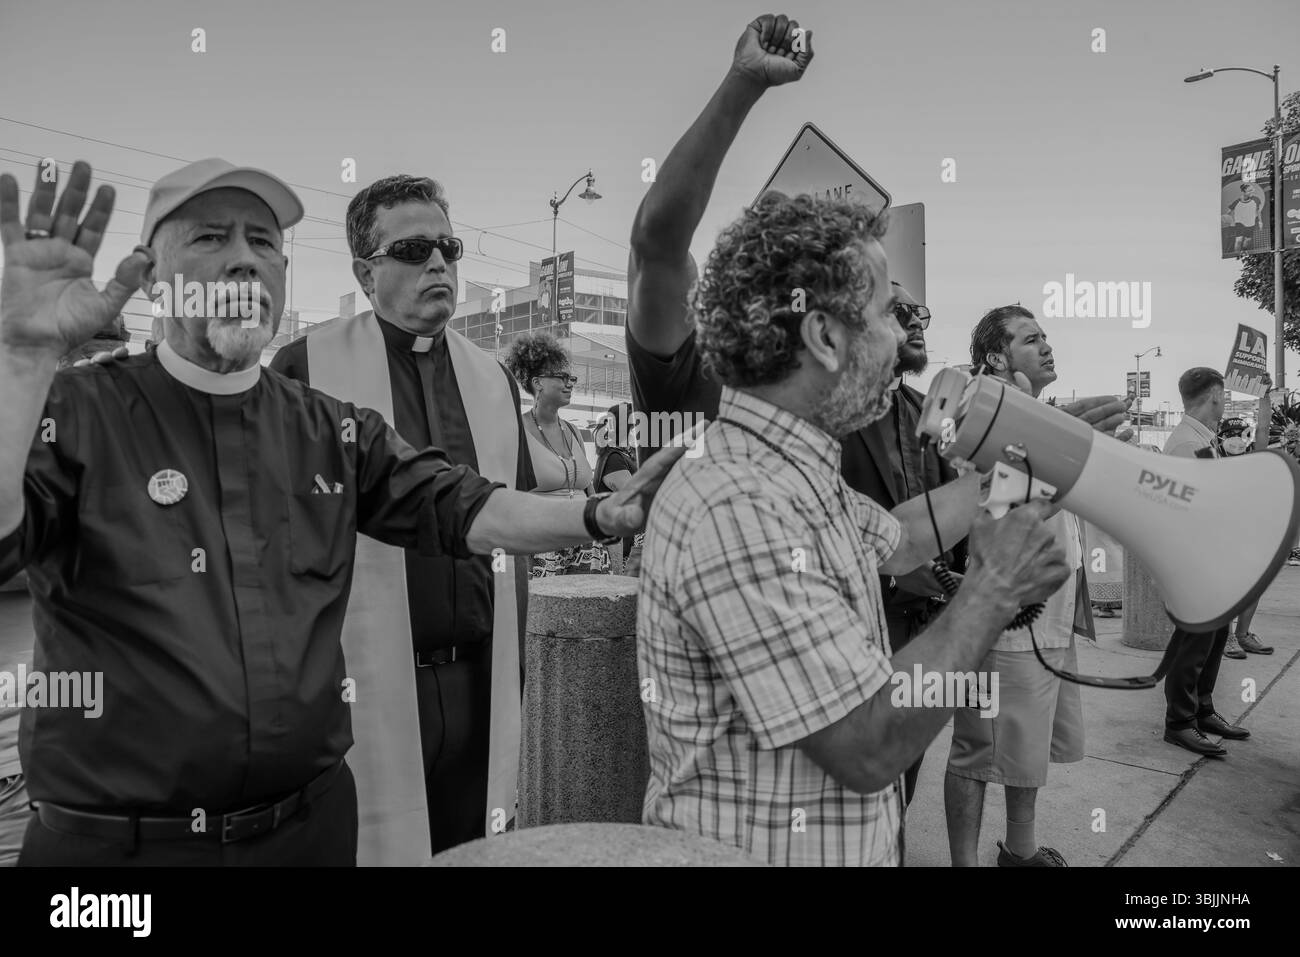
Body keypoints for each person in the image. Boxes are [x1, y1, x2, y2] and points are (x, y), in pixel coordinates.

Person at [0, 159, 683, 865]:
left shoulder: (329, 427)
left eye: (264, 243)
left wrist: (604, 515)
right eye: (210, 238)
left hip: (309, 830)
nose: (244, 260)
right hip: (122, 857)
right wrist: (19, 360)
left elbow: (465, 504)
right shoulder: (74, 413)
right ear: (150, 279)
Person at [638, 191, 1079, 867]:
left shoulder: (793, 466)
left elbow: (900, 537)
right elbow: (868, 743)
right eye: (883, 316)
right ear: (823, 335)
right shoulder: (738, 502)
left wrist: (1022, 467)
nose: (901, 339)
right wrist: (994, 589)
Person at [271, 172, 537, 861]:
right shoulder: (307, 366)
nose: (439, 264)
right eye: (414, 250)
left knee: (478, 849)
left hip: (483, 681)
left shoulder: (493, 377)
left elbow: (522, 522)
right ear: (366, 272)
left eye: (448, 247)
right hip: (365, 687)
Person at [944, 305, 1097, 868]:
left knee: (1026, 751)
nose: (1047, 346)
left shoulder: (1037, 417)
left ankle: (1020, 853)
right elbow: (984, 505)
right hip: (1004, 623)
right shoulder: (981, 417)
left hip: (1047, 619)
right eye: (1031, 339)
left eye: (1046, 335)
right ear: (996, 357)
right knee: (978, 753)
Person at [841, 282, 967, 806]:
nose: (917, 322)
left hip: (927, 618)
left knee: (904, 772)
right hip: (860, 622)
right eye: (901, 311)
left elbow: (947, 499)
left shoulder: (928, 409)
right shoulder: (829, 411)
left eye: (921, 313)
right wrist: (893, 571)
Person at [1160, 368, 1249, 757]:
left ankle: (1202, 708)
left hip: (1210, 555)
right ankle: (1179, 721)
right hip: (1194, 558)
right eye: (1223, 393)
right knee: (1193, 643)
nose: (1224, 399)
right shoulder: (1185, 444)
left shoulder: (1203, 439)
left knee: (1213, 638)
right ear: (1214, 394)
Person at [504, 333, 611, 577]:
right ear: (538, 382)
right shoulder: (516, 430)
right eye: (562, 377)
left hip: (586, 543)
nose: (570, 383)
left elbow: (589, 491)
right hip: (542, 545)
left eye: (571, 377)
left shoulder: (572, 430)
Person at [1215, 417, 1272, 658]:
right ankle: (1226, 638)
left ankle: (1243, 634)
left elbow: (1263, 432)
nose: (1236, 437)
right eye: (1230, 433)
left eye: (1240, 432)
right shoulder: (1213, 458)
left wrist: (1265, 397)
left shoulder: (1251, 459)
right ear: (1220, 437)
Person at [594, 402, 643, 575]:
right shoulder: (613, 458)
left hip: (626, 543)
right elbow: (635, 494)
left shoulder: (622, 455)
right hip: (620, 547)